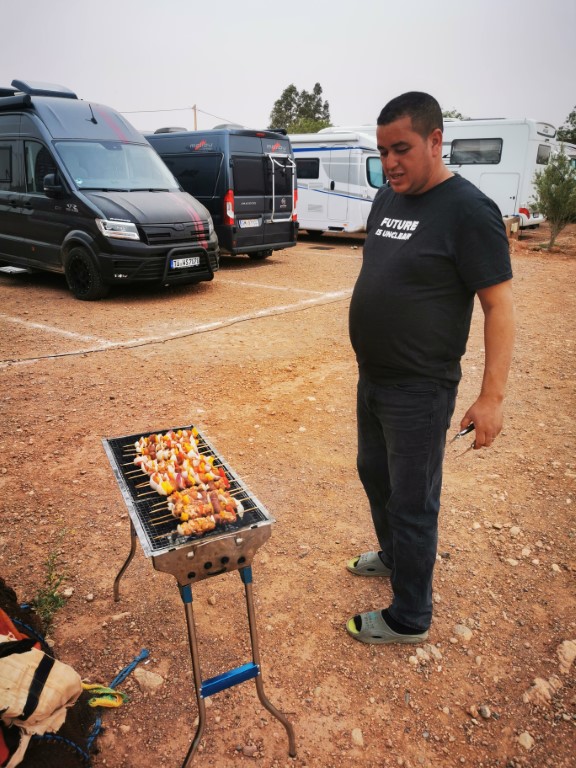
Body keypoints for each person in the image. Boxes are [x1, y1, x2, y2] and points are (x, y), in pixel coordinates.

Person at [346, 92, 515, 645]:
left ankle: (410, 616)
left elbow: (499, 306)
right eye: (382, 151)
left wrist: (491, 398)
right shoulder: (386, 198)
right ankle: (395, 556)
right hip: (373, 378)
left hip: (420, 389)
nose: (389, 163)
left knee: (413, 501)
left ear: (435, 141)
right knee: (374, 474)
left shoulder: (468, 210)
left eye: (401, 149)